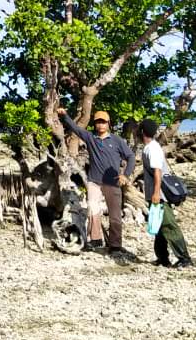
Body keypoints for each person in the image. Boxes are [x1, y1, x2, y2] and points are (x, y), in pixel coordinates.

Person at [57, 106, 136, 252]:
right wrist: (64, 115)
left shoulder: (117, 140)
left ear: (108, 124)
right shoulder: (90, 138)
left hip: (113, 183)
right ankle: (95, 239)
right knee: (93, 210)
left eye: (103, 122)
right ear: (95, 124)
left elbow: (131, 156)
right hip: (94, 182)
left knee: (115, 216)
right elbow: (75, 128)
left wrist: (126, 174)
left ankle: (115, 244)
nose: (101, 124)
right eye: (98, 122)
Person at [140, 118, 193, 268]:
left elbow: (157, 172)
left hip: (160, 195)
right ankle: (162, 258)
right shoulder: (152, 147)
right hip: (156, 194)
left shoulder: (152, 149)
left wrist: (156, 194)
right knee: (159, 225)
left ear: (142, 132)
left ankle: (184, 258)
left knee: (169, 225)